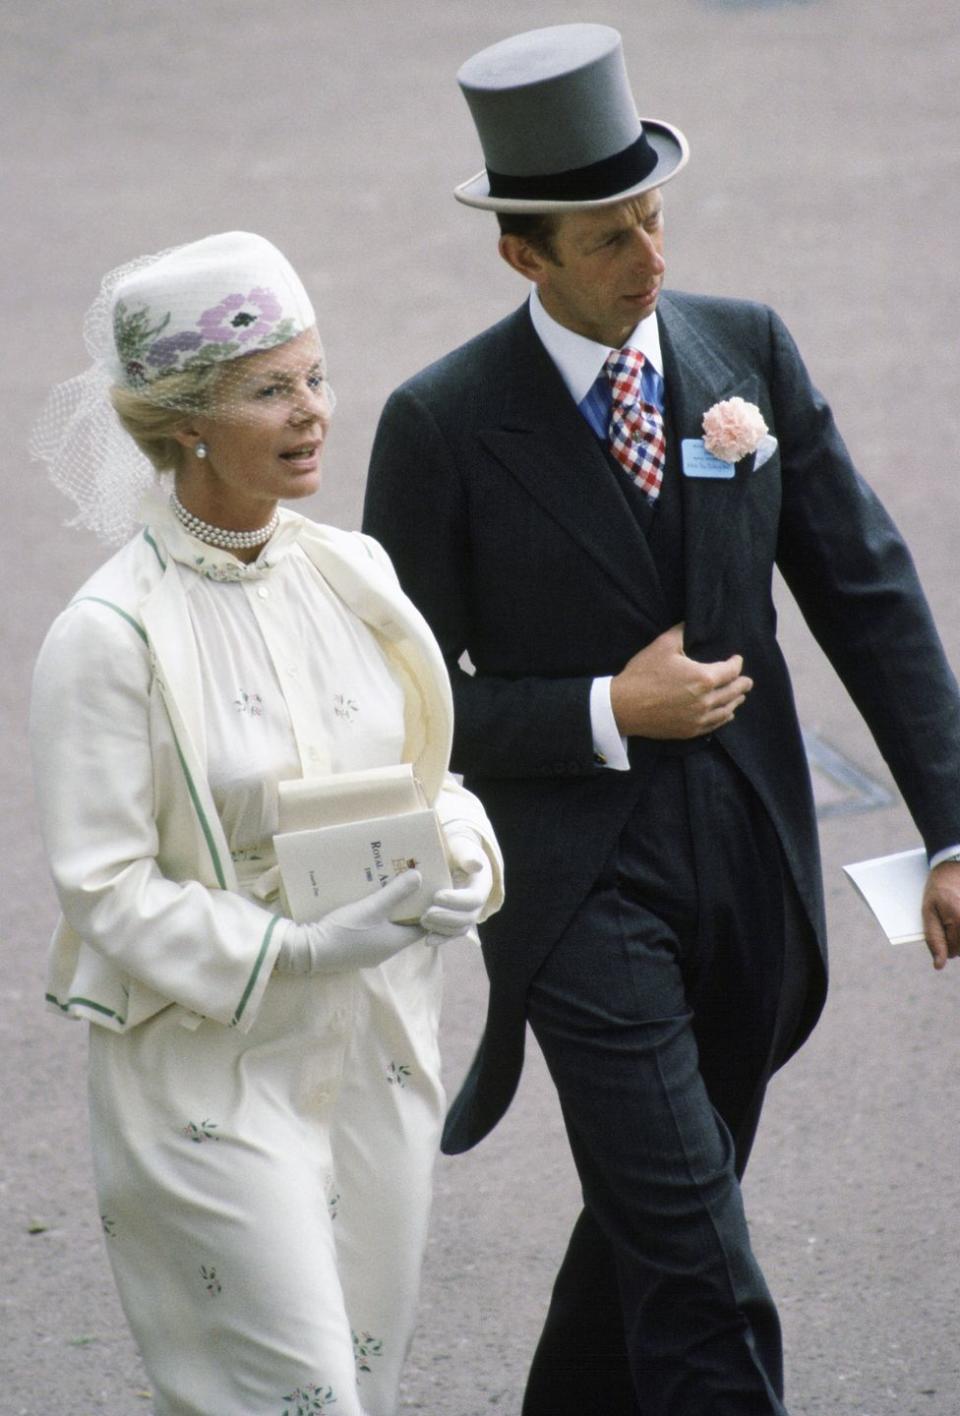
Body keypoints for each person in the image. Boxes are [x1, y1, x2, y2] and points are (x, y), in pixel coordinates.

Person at [362, 23, 960, 1416]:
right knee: (703, 1270)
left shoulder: (743, 349)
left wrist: (951, 828)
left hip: (753, 866)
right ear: (524, 254)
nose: (652, 259)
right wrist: (600, 709)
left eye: (656, 217)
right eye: (610, 239)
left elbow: (869, 592)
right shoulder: (440, 424)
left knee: (657, 1232)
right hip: (574, 891)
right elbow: (397, 709)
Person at [28, 230, 503, 1416]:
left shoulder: (355, 573)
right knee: (298, 1399)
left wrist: (465, 860)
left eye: (317, 377)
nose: (313, 414)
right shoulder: (108, 635)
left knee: (365, 1384)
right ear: (185, 419)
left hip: (377, 1053)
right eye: (269, 390)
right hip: (205, 1075)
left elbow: (431, 779)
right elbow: (105, 886)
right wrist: (292, 950)